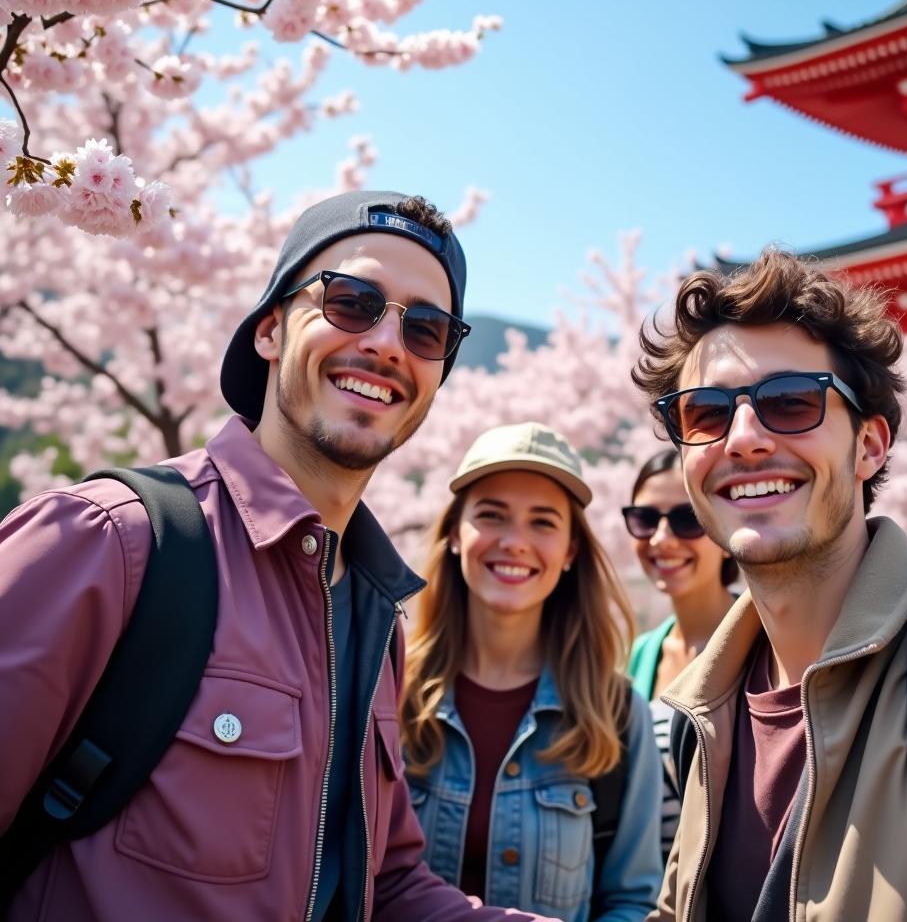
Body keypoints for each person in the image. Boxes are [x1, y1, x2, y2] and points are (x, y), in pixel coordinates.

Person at [0, 191, 564, 922]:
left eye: (426, 329)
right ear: (269, 330)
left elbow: (385, 888)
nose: (390, 345)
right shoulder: (107, 542)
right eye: (352, 301)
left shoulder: (375, 618)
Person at [631, 247, 907, 921]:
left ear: (870, 445)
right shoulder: (703, 714)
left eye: (790, 403)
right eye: (706, 414)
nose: (744, 439)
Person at [399, 421, 663, 922]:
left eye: (542, 522)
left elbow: (632, 901)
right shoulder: (389, 694)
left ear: (570, 551)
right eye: (492, 516)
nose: (515, 542)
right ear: (456, 534)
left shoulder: (618, 715)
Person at [623, 450, 736, 861]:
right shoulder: (640, 655)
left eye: (688, 519)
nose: (661, 539)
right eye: (645, 519)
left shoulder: (761, 641)